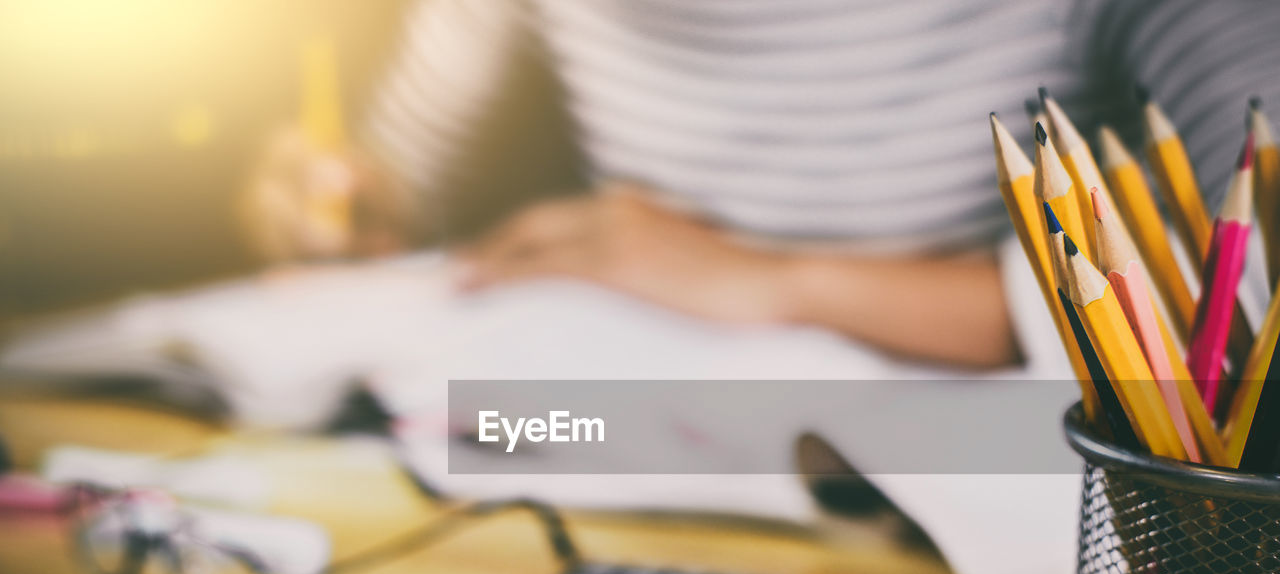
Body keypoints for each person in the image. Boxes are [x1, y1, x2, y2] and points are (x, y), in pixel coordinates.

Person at [241, 0, 1280, 372]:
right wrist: (330, 208)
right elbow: (385, 205)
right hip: (630, 451)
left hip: (973, 512)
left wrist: (776, 280)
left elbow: (1249, 275)